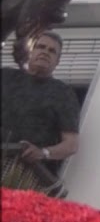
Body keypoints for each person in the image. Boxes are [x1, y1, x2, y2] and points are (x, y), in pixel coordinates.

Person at [1, 31, 81, 195]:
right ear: (31, 52)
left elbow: (71, 144)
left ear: (57, 62)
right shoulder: (5, 76)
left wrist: (43, 153)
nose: (45, 52)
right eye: (41, 47)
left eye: (52, 51)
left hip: (27, 176)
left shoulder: (63, 94)